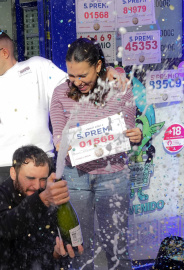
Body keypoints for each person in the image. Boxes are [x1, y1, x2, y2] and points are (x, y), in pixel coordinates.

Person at [50, 38, 142, 270]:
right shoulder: (60, 93)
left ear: (99, 66)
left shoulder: (120, 86)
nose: (76, 82)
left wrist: (135, 135)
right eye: (72, 75)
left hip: (114, 176)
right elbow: (58, 133)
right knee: (79, 247)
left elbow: (127, 127)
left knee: (116, 245)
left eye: (83, 76)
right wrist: (62, 144)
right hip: (75, 177)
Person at [0, 145, 83, 270]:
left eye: (43, 179)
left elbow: (40, 258)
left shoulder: (47, 204)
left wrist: (56, 254)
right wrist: (41, 200)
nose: (37, 186)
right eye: (30, 178)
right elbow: (7, 227)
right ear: (13, 173)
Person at [0, 30, 67, 190]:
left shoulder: (37, 66)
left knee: (45, 214)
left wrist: (105, 73)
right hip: (0, 164)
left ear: (4, 52)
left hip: (40, 162)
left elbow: (71, 88)